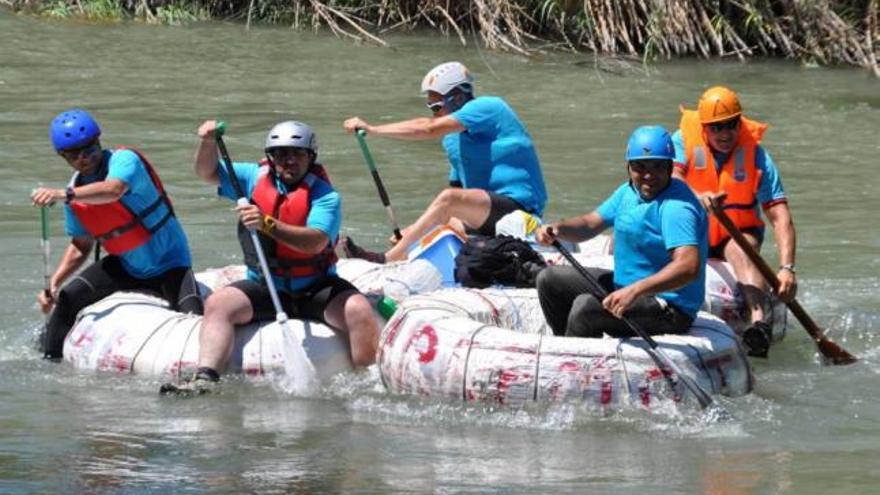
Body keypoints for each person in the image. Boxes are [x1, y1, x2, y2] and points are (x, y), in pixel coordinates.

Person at [161, 120, 379, 395]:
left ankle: (367, 384)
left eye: (297, 154)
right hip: (266, 283)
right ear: (270, 157)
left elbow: (315, 242)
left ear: (311, 157)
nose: (289, 161)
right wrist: (206, 141)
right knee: (217, 305)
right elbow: (208, 172)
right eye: (281, 154)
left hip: (316, 286)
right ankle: (206, 377)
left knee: (359, 310)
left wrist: (267, 224)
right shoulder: (255, 177)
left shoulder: (326, 197)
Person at [30, 109, 202, 360]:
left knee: (194, 319)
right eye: (74, 154)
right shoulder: (74, 192)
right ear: (62, 156)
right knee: (67, 298)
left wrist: (61, 194)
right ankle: (50, 363)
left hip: (171, 264)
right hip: (127, 266)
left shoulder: (124, 161)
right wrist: (54, 284)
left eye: (89, 148)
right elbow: (81, 244)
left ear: (99, 140)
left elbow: (114, 190)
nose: (84, 158)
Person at [342, 61, 548, 263]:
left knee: (449, 198)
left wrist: (373, 130)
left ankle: (390, 257)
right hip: (484, 215)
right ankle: (403, 252)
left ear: (458, 97)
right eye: (430, 106)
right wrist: (413, 231)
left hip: (520, 211)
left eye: (437, 106)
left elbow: (428, 128)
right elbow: (454, 203)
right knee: (437, 224)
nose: (434, 112)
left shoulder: (489, 107)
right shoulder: (452, 139)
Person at [535, 126, 707, 339]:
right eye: (639, 167)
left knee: (585, 308)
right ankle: (567, 346)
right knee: (549, 279)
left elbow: (688, 267)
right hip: (625, 286)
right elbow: (590, 223)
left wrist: (635, 291)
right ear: (629, 167)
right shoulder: (627, 192)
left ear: (670, 167)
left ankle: (572, 359)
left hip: (668, 307)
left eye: (657, 167)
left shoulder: (676, 208)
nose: (648, 175)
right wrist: (558, 229)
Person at [672, 86, 796, 357]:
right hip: (693, 230)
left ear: (739, 122)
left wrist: (787, 268)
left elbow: (779, 214)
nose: (725, 133)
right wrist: (698, 197)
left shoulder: (758, 156)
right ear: (704, 127)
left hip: (737, 232)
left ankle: (758, 323)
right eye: (716, 127)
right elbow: (672, 177)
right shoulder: (683, 141)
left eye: (731, 125)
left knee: (742, 248)